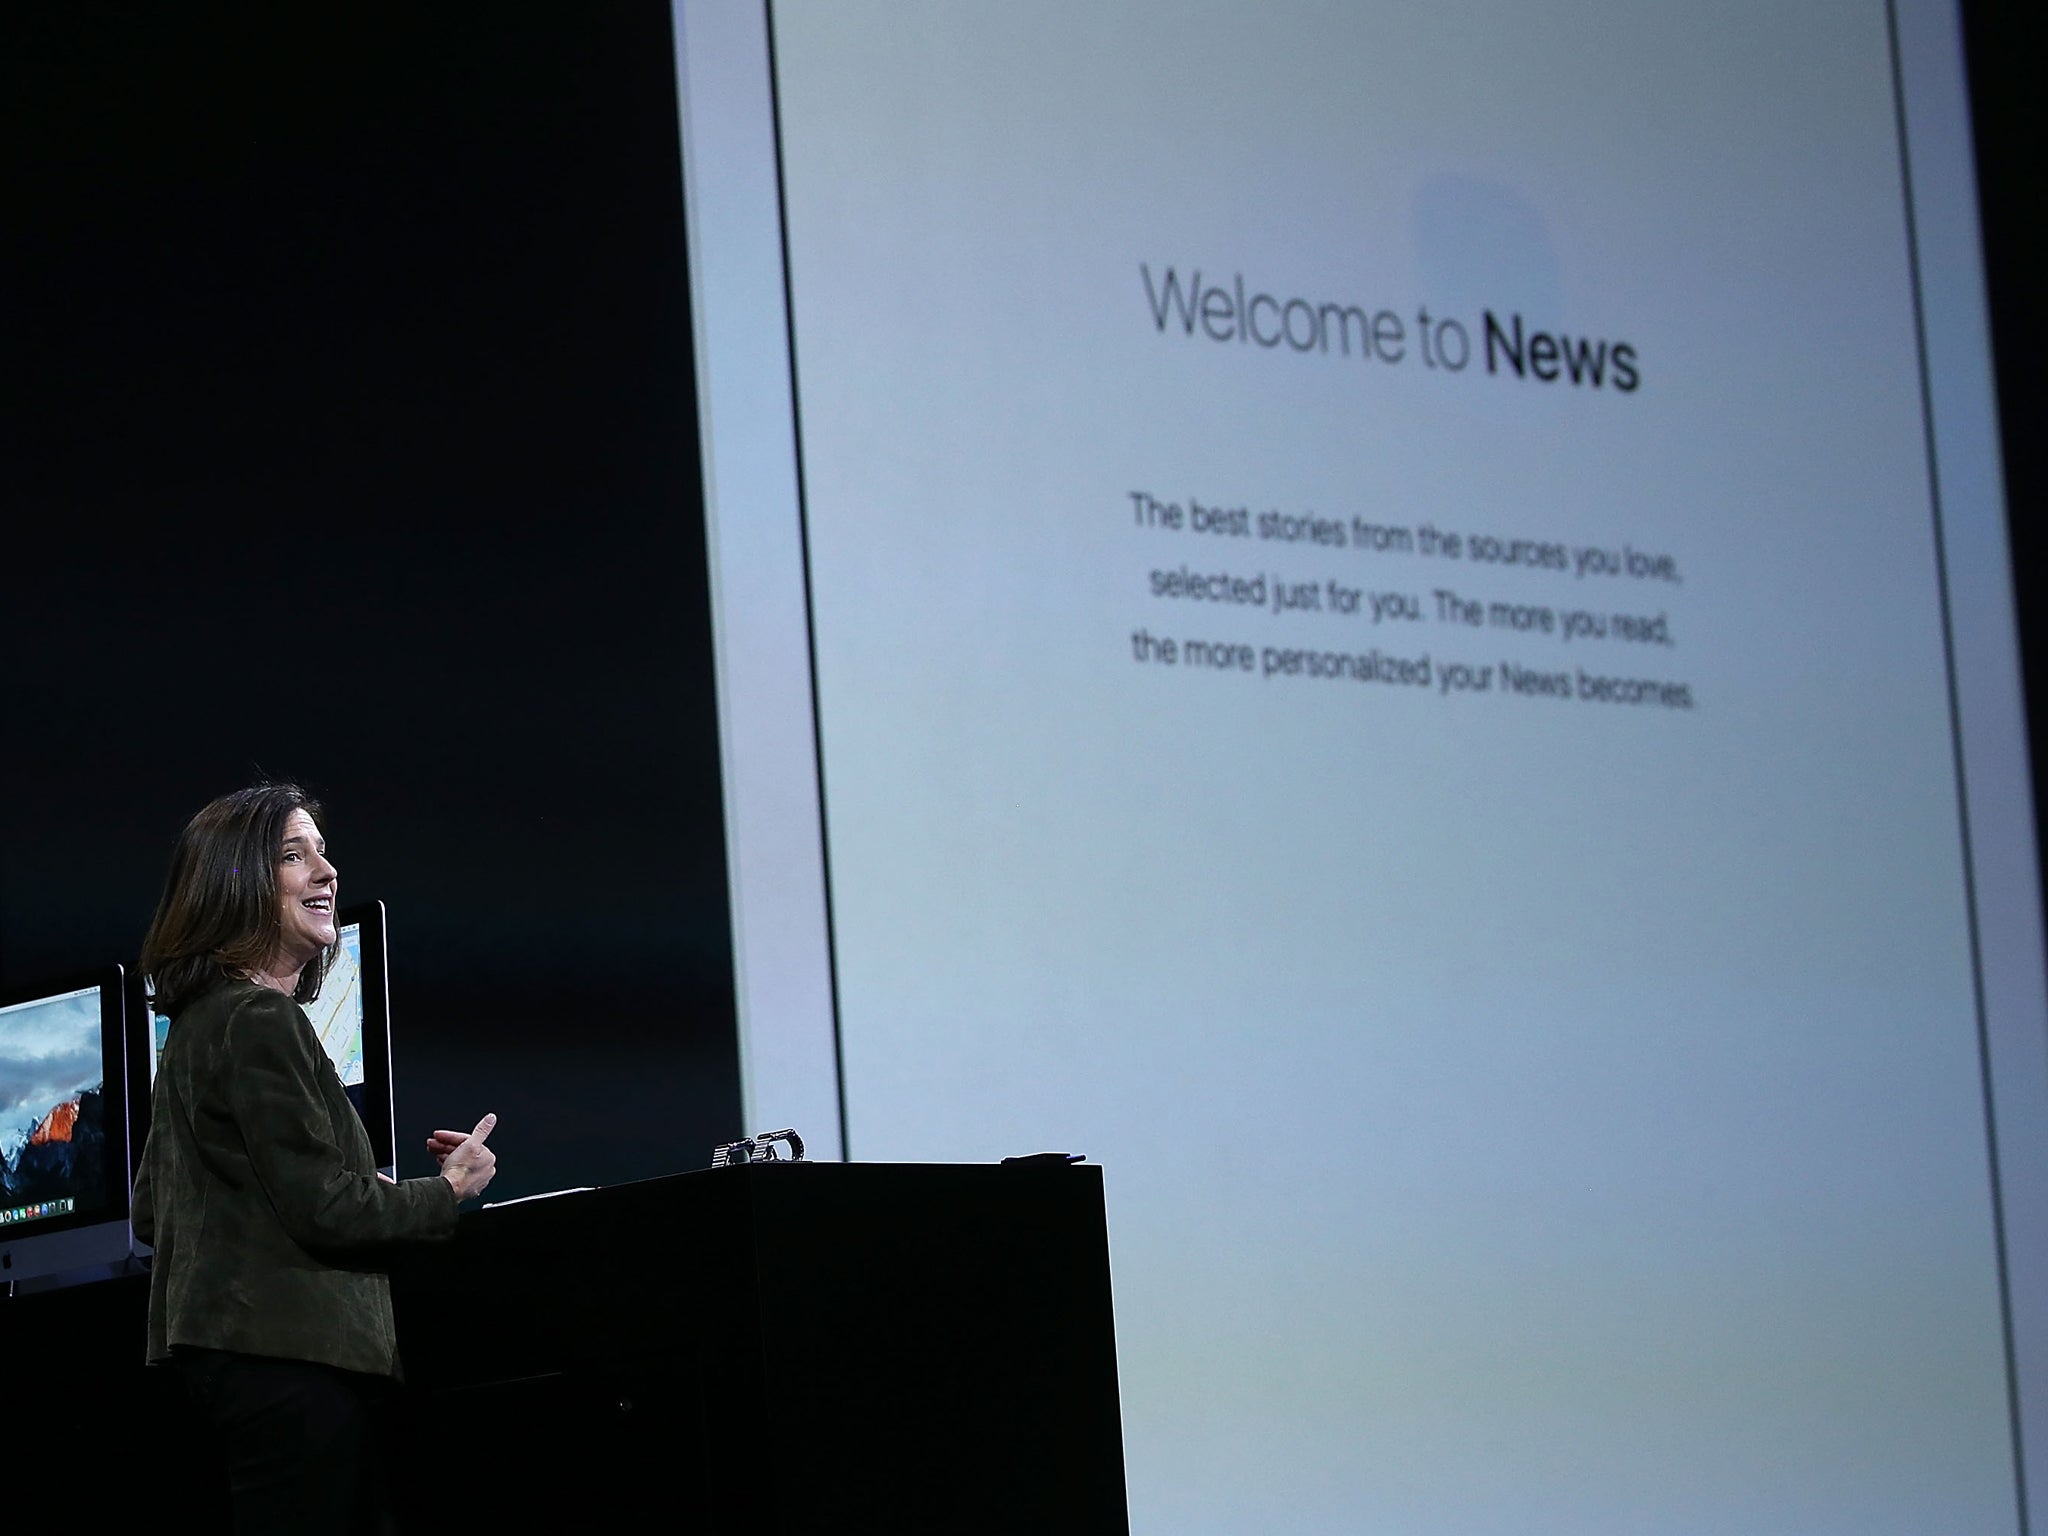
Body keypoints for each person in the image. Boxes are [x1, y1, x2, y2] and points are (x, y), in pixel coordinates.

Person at [132, 783, 499, 1533]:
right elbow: (328, 1208)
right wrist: (447, 1189)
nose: (327, 871)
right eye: (294, 857)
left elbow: (151, 1208)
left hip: (237, 1363)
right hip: (289, 1361)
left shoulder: (199, 1025)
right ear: (234, 885)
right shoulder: (259, 1018)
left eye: (322, 851)